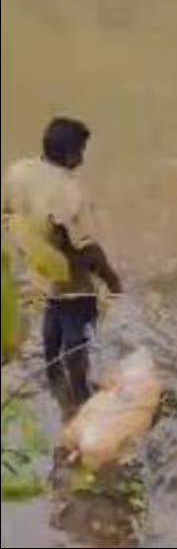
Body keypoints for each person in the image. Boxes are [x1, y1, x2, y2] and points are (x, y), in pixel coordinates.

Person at [1, 117, 123, 407]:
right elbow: (87, 250)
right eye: (81, 151)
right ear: (71, 154)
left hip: (40, 273)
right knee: (76, 336)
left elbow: (8, 215)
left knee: (51, 322)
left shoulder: (17, 172)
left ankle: (54, 379)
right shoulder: (70, 193)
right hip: (72, 282)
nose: (82, 158)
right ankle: (79, 395)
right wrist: (111, 279)